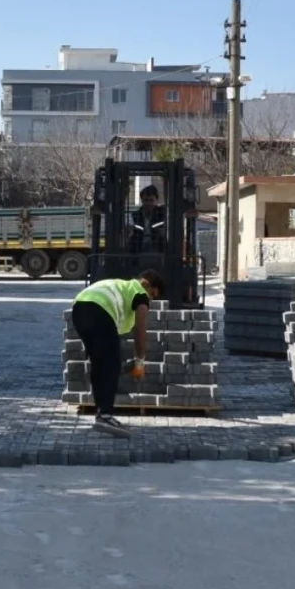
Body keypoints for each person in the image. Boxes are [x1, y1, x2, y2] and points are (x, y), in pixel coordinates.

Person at [70, 269, 165, 439]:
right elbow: (140, 329)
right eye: (152, 294)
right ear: (146, 284)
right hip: (98, 311)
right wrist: (140, 361)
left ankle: (102, 413)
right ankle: (105, 415)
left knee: (101, 362)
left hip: (79, 309)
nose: (151, 299)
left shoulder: (123, 287)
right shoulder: (139, 293)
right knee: (110, 363)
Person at [128, 185, 166, 253]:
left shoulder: (162, 214)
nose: (148, 203)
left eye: (151, 200)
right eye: (146, 200)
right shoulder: (135, 216)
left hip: (158, 249)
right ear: (141, 200)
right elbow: (130, 234)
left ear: (156, 200)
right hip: (139, 249)